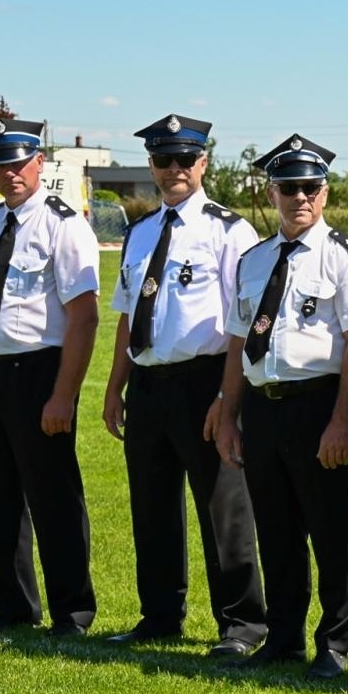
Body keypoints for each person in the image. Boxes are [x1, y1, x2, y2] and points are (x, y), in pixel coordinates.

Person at [102, 114, 266, 657]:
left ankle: (241, 624)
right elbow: (127, 314)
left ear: (203, 162)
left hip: (205, 382)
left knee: (223, 506)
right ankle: (160, 613)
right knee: (151, 506)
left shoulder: (229, 230)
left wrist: (227, 399)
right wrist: (113, 387)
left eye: (184, 159)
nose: (173, 170)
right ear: (151, 166)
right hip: (148, 382)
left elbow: (241, 324)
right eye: (162, 160)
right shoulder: (140, 232)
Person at [214, 135, 348, 680]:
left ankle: (335, 643)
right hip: (263, 406)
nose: (299, 198)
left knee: (332, 533)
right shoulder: (254, 261)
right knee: (275, 530)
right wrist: (229, 415)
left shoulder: (347, 258)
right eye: (288, 188)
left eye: (310, 188)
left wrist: (342, 421)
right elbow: (237, 342)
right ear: (271, 193)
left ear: (324, 194)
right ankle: (283, 638)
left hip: (318, 406)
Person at [0, 119, 100, 636]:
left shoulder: (64, 224)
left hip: (39, 370)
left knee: (53, 496)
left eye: (19, 162)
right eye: (0, 164)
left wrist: (64, 395)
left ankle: (71, 610)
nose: (10, 173)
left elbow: (84, 315)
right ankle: (14, 604)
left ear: (40, 163)